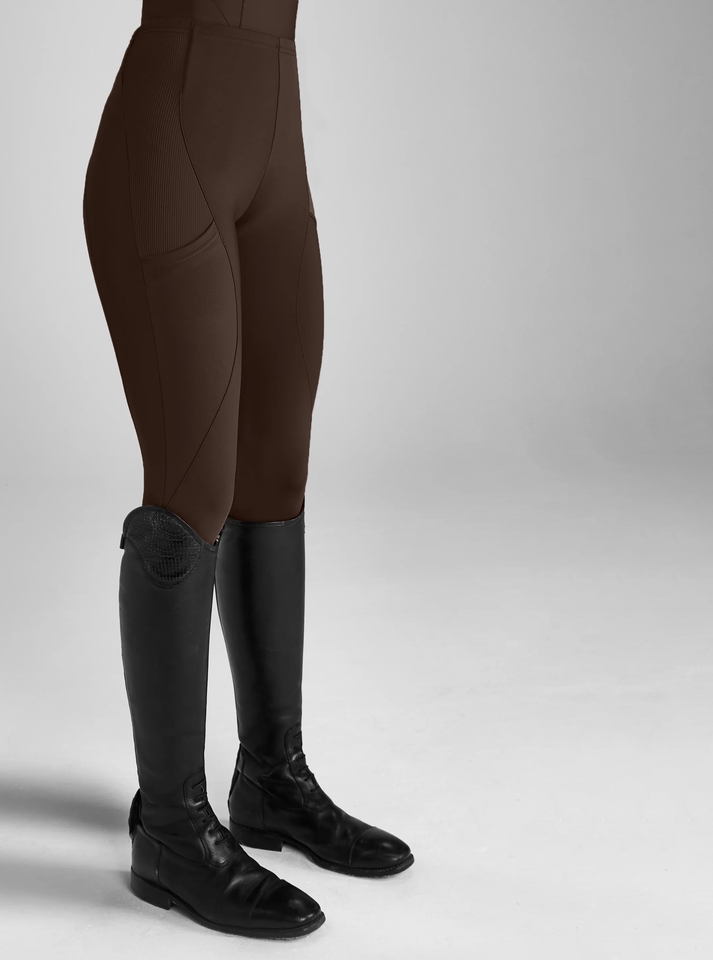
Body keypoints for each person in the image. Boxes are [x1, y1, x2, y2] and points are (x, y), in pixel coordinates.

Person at [82, 0, 412, 939]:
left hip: (273, 141)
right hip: (170, 140)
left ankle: (272, 778)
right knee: (193, 489)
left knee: (274, 470)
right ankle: (171, 828)